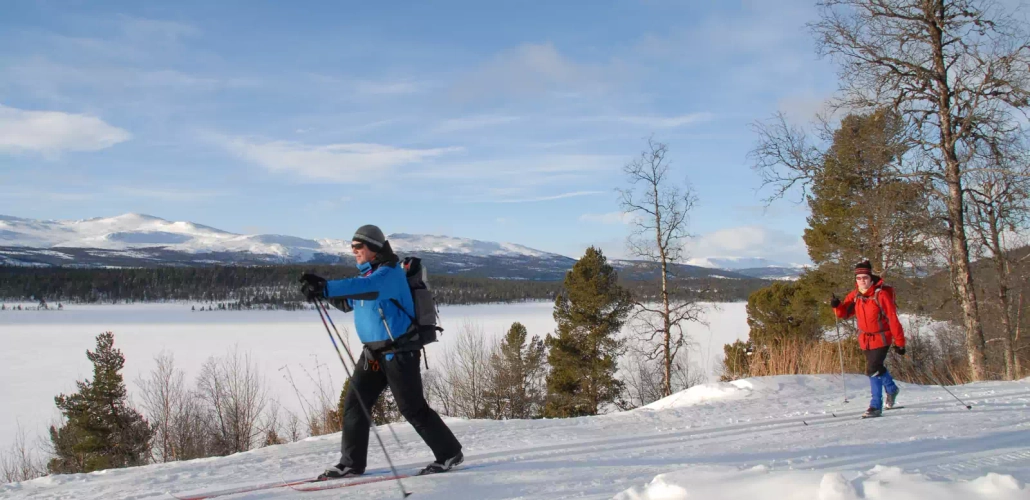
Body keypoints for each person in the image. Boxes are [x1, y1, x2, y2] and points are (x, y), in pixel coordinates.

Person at [299, 224, 463, 478]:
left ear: (373, 248)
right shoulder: (367, 278)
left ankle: (449, 453)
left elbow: (364, 287)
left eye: (358, 246)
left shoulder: (389, 274)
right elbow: (348, 302)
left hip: (399, 352)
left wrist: (326, 286)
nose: (354, 251)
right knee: (355, 404)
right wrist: (321, 292)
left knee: (412, 408)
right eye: (352, 246)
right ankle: (351, 463)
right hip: (373, 354)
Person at [831, 260, 907, 418]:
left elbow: (893, 319)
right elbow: (844, 314)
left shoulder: (881, 295)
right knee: (877, 368)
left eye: (865, 277)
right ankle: (892, 389)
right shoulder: (855, 295)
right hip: (865, 339)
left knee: (872, 369)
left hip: (882, 337)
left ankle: (875, 405)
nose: (862, 281)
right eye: (859, 278)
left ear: (871, 277)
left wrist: (900, 342)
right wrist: (837, 306)